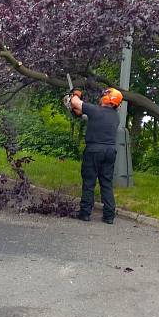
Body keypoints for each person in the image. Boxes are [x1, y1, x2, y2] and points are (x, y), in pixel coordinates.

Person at [69, 87, 123, 224]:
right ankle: (109, 216)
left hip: (94, 150)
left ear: (107, 98)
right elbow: (83, 113)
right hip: (110, 151)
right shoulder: (115, 116)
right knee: (106, 183)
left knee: (89, 182)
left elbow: (76, 102)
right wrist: (76, 111)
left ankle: (85, 213)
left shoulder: (96, 110)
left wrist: (75, 94)